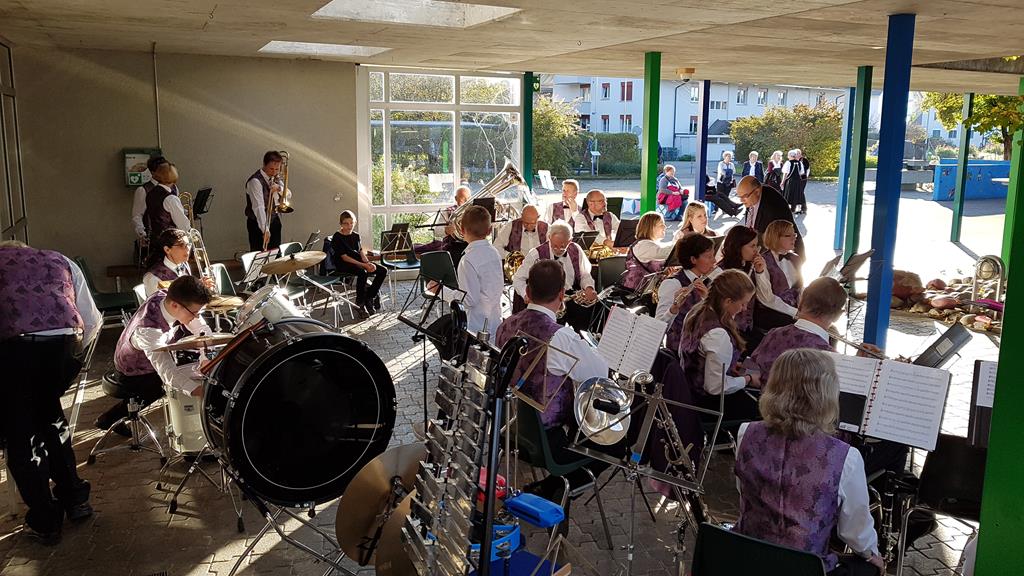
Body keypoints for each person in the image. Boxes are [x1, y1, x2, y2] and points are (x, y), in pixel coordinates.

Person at [734, 349, 884, 576]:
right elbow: (855, 532)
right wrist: (873, 555)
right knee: (869, 567)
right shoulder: (846, 457)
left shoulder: (746, 432)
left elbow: (743, 491)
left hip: (747, 558)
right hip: (806, 568)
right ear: (827, 394)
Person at [0, 241, 101, 544]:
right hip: (62, 347)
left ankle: (45, 519)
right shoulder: (60, 259)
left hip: (13, 351)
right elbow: (92, 319)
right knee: (51, 419)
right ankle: (76, 499)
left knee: (20, 434)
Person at [495, 260, 618, 499]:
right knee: (615, 444)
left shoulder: (504, 325)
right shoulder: (560, 337)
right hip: (548, 439)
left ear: (528, 292)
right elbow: (599, 373)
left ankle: (552, 486)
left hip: (512, 427)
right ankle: (559, 489)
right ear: (562, 294)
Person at [99, 276, 214, 434]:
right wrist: (199, 391)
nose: (196, 317)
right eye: (194, 313)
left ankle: (111, 417)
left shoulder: (167, 295)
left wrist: (205, 357)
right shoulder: (149, 330)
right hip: (133, 371)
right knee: (162, 385)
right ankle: (112, 418)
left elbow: (201, 329)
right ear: (175, 305)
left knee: (188, 360)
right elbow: (168, 373)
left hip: (150, 355)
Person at [677, 269, 761, 422]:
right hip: (705, 404)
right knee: (758, 407)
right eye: (743, 304)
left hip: (687, 390)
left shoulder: (695, 311)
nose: (744, 309)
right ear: (728, 301)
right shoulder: (718, 334)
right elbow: (715, 387)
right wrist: (747, 379)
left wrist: (729, 366)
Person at [748, 276, 846, 380]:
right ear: (838, 316)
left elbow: (752, 371)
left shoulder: (774, 334)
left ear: (801, 303)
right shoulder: (830, 358)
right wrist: (859, 364)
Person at [512, 221, 597, 329]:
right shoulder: (536, 254)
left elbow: (585, 274)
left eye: (562, 246)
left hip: (570, 297)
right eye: (554, 246)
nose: (558, 250)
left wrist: (589, 287)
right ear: (549, 238)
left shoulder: (575, 249)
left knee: (589, 318)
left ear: (570, 241)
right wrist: (526, 294)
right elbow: (518, 279)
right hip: (546, 300)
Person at [445, 205, 503, 341]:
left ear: (463, 230)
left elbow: (470, 299)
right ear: (489, 231)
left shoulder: (468, 260)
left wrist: (442, 291)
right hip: (495, 320)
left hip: (476, 326)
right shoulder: (494, 252)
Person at [657, 234, 717, 354]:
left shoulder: (707, 280)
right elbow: (658, 325)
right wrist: (673, 309)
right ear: (693, 260)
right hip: (679, 353)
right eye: (708, 257)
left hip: (703, 349)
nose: (714, 261)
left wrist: (707, 298)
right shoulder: (673, 284)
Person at [717, 225, 771, 347]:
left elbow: (766, 297)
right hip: (730, 332)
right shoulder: (722, 272)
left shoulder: (750, 265)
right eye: (752, 246)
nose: (756, 250)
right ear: (738, 247)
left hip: (748, 326)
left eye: (757, 245)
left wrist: (760, 273)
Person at [331, 210, 387, 317]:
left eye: (351, 223)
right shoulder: (337, 237)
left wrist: (368, 263)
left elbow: (360, 252)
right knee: (362, 272)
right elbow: (345, 257)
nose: (349, 226)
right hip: (344, 264)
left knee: (382, 270)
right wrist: (364, 265)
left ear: (355, 222)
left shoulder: (356, 236)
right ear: (341, 224)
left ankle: (370, 296)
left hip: (358, 262)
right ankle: (360, 303)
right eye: (346, 223)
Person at [754, 219, 804, 331]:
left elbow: (800, 289)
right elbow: (766, 297)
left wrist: (803, 310)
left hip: (794, 308)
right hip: (772, 311)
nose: (794, 238)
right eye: (788, 235)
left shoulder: (795, 258)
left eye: (794, 234)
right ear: (776, 237)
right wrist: (794, 312)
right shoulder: (764, 261)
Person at [737, 175, 804, 257]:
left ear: (757, 192)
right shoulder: (753, 196)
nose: (741, 201)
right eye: (739, 197)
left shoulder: (773, 208)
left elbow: (777, 244)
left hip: (781, 257)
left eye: (744, 196)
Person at [244, 150, 291, 251]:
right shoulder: (255, 181)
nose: (274, 172)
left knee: (275, 255)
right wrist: (265, 229)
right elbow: (258, 207)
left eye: (277, 169)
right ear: (264, 165)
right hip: (258, 224)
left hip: (274, 220)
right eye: (271, 169)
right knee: (259, 256)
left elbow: (289, 194)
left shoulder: (275, 177)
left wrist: (279, 188)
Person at [131, 155, 184, 243]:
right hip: (152, 236)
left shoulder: (174, 187)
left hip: (174, 236)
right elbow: (137, 215)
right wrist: (142, 233)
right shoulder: (143, 190)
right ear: (153, 172)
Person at [415, 185, 471, 264]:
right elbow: (437, 231)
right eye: (463, 199)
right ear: (456, 198)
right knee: (456, 256)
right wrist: (446, 231)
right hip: (453, 246)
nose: (466, 201)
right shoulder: (447, 212)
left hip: (469, 245)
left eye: (468, 198)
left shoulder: (474, 211)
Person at [621, 212, 674, 292]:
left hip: (648, 289)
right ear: (650, 227)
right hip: (636, 291)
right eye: (661, 225)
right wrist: (682, 240)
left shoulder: (651, 244)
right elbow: (666, 252)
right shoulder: (643, 245)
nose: (665, 227)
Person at [142, 228, 191, 297]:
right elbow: (157, 305)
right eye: (181, 245)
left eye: (188, 245)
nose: (188, 249)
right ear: (167, 249)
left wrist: (199, 287)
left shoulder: (184, 265)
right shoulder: (153, 277)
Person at [781, 149, 807, 215]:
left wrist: (783, 182)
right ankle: (795, 208)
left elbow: (785, 173)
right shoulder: (799, 163)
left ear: (790, 155)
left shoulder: (788, 163)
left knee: (789, 194)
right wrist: (803, 182)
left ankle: (789, 209)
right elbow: (802, 173)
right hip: (798, 181)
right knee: (797, 194)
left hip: (791, 181)